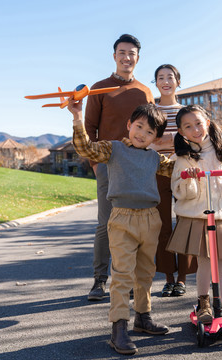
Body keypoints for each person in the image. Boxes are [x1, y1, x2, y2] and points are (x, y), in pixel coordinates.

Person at [69, 99, 174, 356]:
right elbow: (85, 148)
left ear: (156, 138)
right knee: (123, 274)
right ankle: (119, 326)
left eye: (150, 132)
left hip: (151, 218)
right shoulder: (113, 149)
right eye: (139, 127)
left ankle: (143, 317)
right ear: (129, 125)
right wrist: (77, 117)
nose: (142, 134)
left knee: (146, 272)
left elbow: (179, 169)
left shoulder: (155, 159)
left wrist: (194, 150)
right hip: (122, 219)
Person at [85, 34, 154, 301]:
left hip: (137, 167)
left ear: (138, 57)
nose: (127, 57)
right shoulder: (99, 88)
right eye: (122, 52)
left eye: (132, 53)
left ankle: (131, 282)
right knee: (106, 223)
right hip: (107, 164)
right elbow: (89, 127)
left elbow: (150, 129)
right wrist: (94, 163)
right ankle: (99, 280)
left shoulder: (144, 91)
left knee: (136, 224)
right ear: (114, 55)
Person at [167, 104, 222, 325]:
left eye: (198, 124)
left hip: (218, 216)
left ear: (208, 124)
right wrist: (190, 179)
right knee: (204, 262)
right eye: (188, 127)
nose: (195, 129)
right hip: (197, 216)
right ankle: (204, 303)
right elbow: (181, 193)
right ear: (182, 132)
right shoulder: (183, 158)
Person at [148, 64, 197, 297]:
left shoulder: (186, 112)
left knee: (186, 223)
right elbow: (148, 143)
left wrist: (164, 140)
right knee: (162, 227)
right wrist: (173, 139)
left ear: (178, 81)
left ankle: (183, 278)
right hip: (156, 173)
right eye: (160, 77)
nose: (165, 81)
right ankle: (168, 277)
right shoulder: (150, 111)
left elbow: (192, 140)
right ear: (155, 82)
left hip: (183, 170)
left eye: (170, 77)